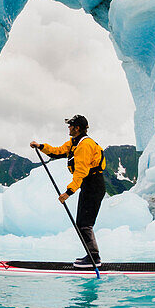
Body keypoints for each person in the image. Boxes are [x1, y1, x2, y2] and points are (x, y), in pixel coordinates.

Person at [31, 114, 107, 267]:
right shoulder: (75, 142)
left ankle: (94, 259)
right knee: (82, 223)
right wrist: (40, 147)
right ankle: (92, 256)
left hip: (94, 185)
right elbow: (57, 151)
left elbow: (81, 172)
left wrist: (68, 192)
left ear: (77, 128)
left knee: (84, 224)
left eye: (70, 125)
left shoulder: (84, 145)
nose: (68, 128)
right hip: (88, 185)